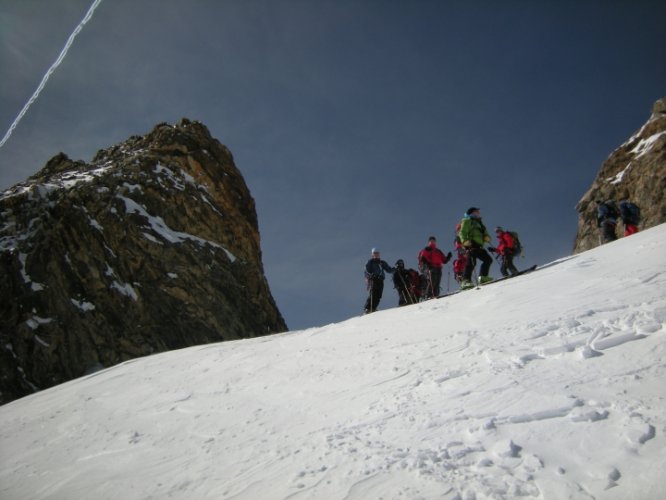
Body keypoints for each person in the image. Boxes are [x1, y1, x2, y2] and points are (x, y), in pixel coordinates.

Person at [458, 207, 493, 289]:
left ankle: (483, 277)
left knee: (488, 260)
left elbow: (485, 232)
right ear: (471, 213)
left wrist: (487, 237)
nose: (478, 213)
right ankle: (465, 281)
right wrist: (464, 241)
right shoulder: (467, 221)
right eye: (476, 212)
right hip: (471, 244)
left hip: (479, 245)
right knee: (471, 262)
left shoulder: (480, 223)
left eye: (478, 212)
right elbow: (462, 232)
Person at [364, 248, 394, 313]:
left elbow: (388, 269)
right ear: (372, 254)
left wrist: (395, 269)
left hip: (380, 280)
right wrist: (370, 276)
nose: (376, 254)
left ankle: (373, 307)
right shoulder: (370, 262)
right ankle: (367, 308)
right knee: (373, 293)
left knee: (379, 295)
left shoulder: (382, 263)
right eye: (375, 253)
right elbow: (366, 271)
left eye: (377, 253)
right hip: (374, 279)